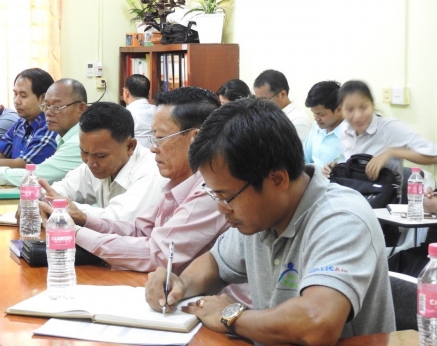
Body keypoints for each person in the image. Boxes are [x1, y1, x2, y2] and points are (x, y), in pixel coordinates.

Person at [145, 98, 395, 344]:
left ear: (277, 180)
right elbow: (215, 262)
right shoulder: (261, 216)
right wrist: (180, 285)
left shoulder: (341, 219)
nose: (221, 208)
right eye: (215, 196)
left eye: (226, 197)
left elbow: (317, 323)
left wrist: (232, 316)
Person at [43, 87, 230, 274]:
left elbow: (158, 254)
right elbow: (139, 230)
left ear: (194, 139)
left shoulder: (211, 191)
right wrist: (83, 220)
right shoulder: (178, 182)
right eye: (152, 138)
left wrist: (72, 232)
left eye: (160, 138)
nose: (153, 148)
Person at [38, 101, 164, 221]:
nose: (90, 162)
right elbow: (63, 188)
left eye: (101, 155)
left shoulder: (150, 172)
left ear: (130, 146)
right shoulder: (94, 163)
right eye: (84, 152)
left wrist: (64, 206)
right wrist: (44, 202)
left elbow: (121, 220)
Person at [0, 79, 86, 184]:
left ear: (81, 108)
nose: (49, 112)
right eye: (47, 106)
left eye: (57, 106)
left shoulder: (77, 142)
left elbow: (35, 174)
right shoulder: (23, 123)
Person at [324, 80, 437, 181]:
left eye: (363, 107)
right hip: (353, 193)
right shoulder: (345, 129)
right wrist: (337, 168)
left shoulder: (389, 128)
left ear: (373, 105)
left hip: (383, 196)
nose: (358, 116)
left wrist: (391, 152)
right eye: (350, 110)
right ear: (340, 111)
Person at [253, 69, 311, 142]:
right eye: (257, 100)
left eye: (264, 100)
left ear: (282, 95)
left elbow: (299, 149)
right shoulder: (266, 114)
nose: (260, 105)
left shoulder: (298, 121)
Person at [303, 81, 345, 167]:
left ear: (339, 110)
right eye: (313, 113)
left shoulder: (351, 134)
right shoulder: (316, 127)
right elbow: (305, 159)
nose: (316, 118)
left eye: (321, 114)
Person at [123, 74, 156, 148]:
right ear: (149, 93)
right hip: (156, 153)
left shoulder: (124, 114)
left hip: (132, 153)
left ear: (126, 92)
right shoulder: (158, 111)